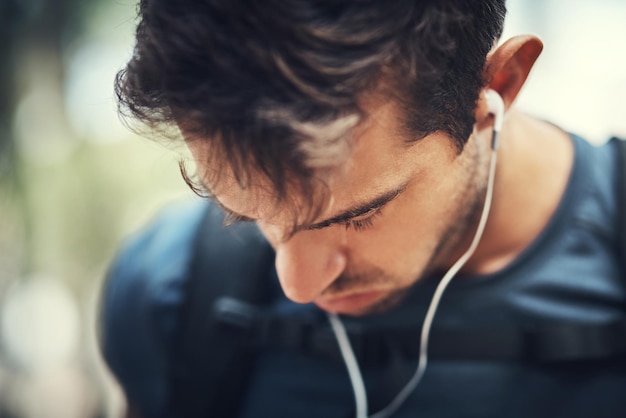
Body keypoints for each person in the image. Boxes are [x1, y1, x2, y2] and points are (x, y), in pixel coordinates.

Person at [99, 1, 626, 417]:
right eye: (246, 210)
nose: (299, 286)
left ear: (496, 89)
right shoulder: (168, 293)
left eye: (357, 215)